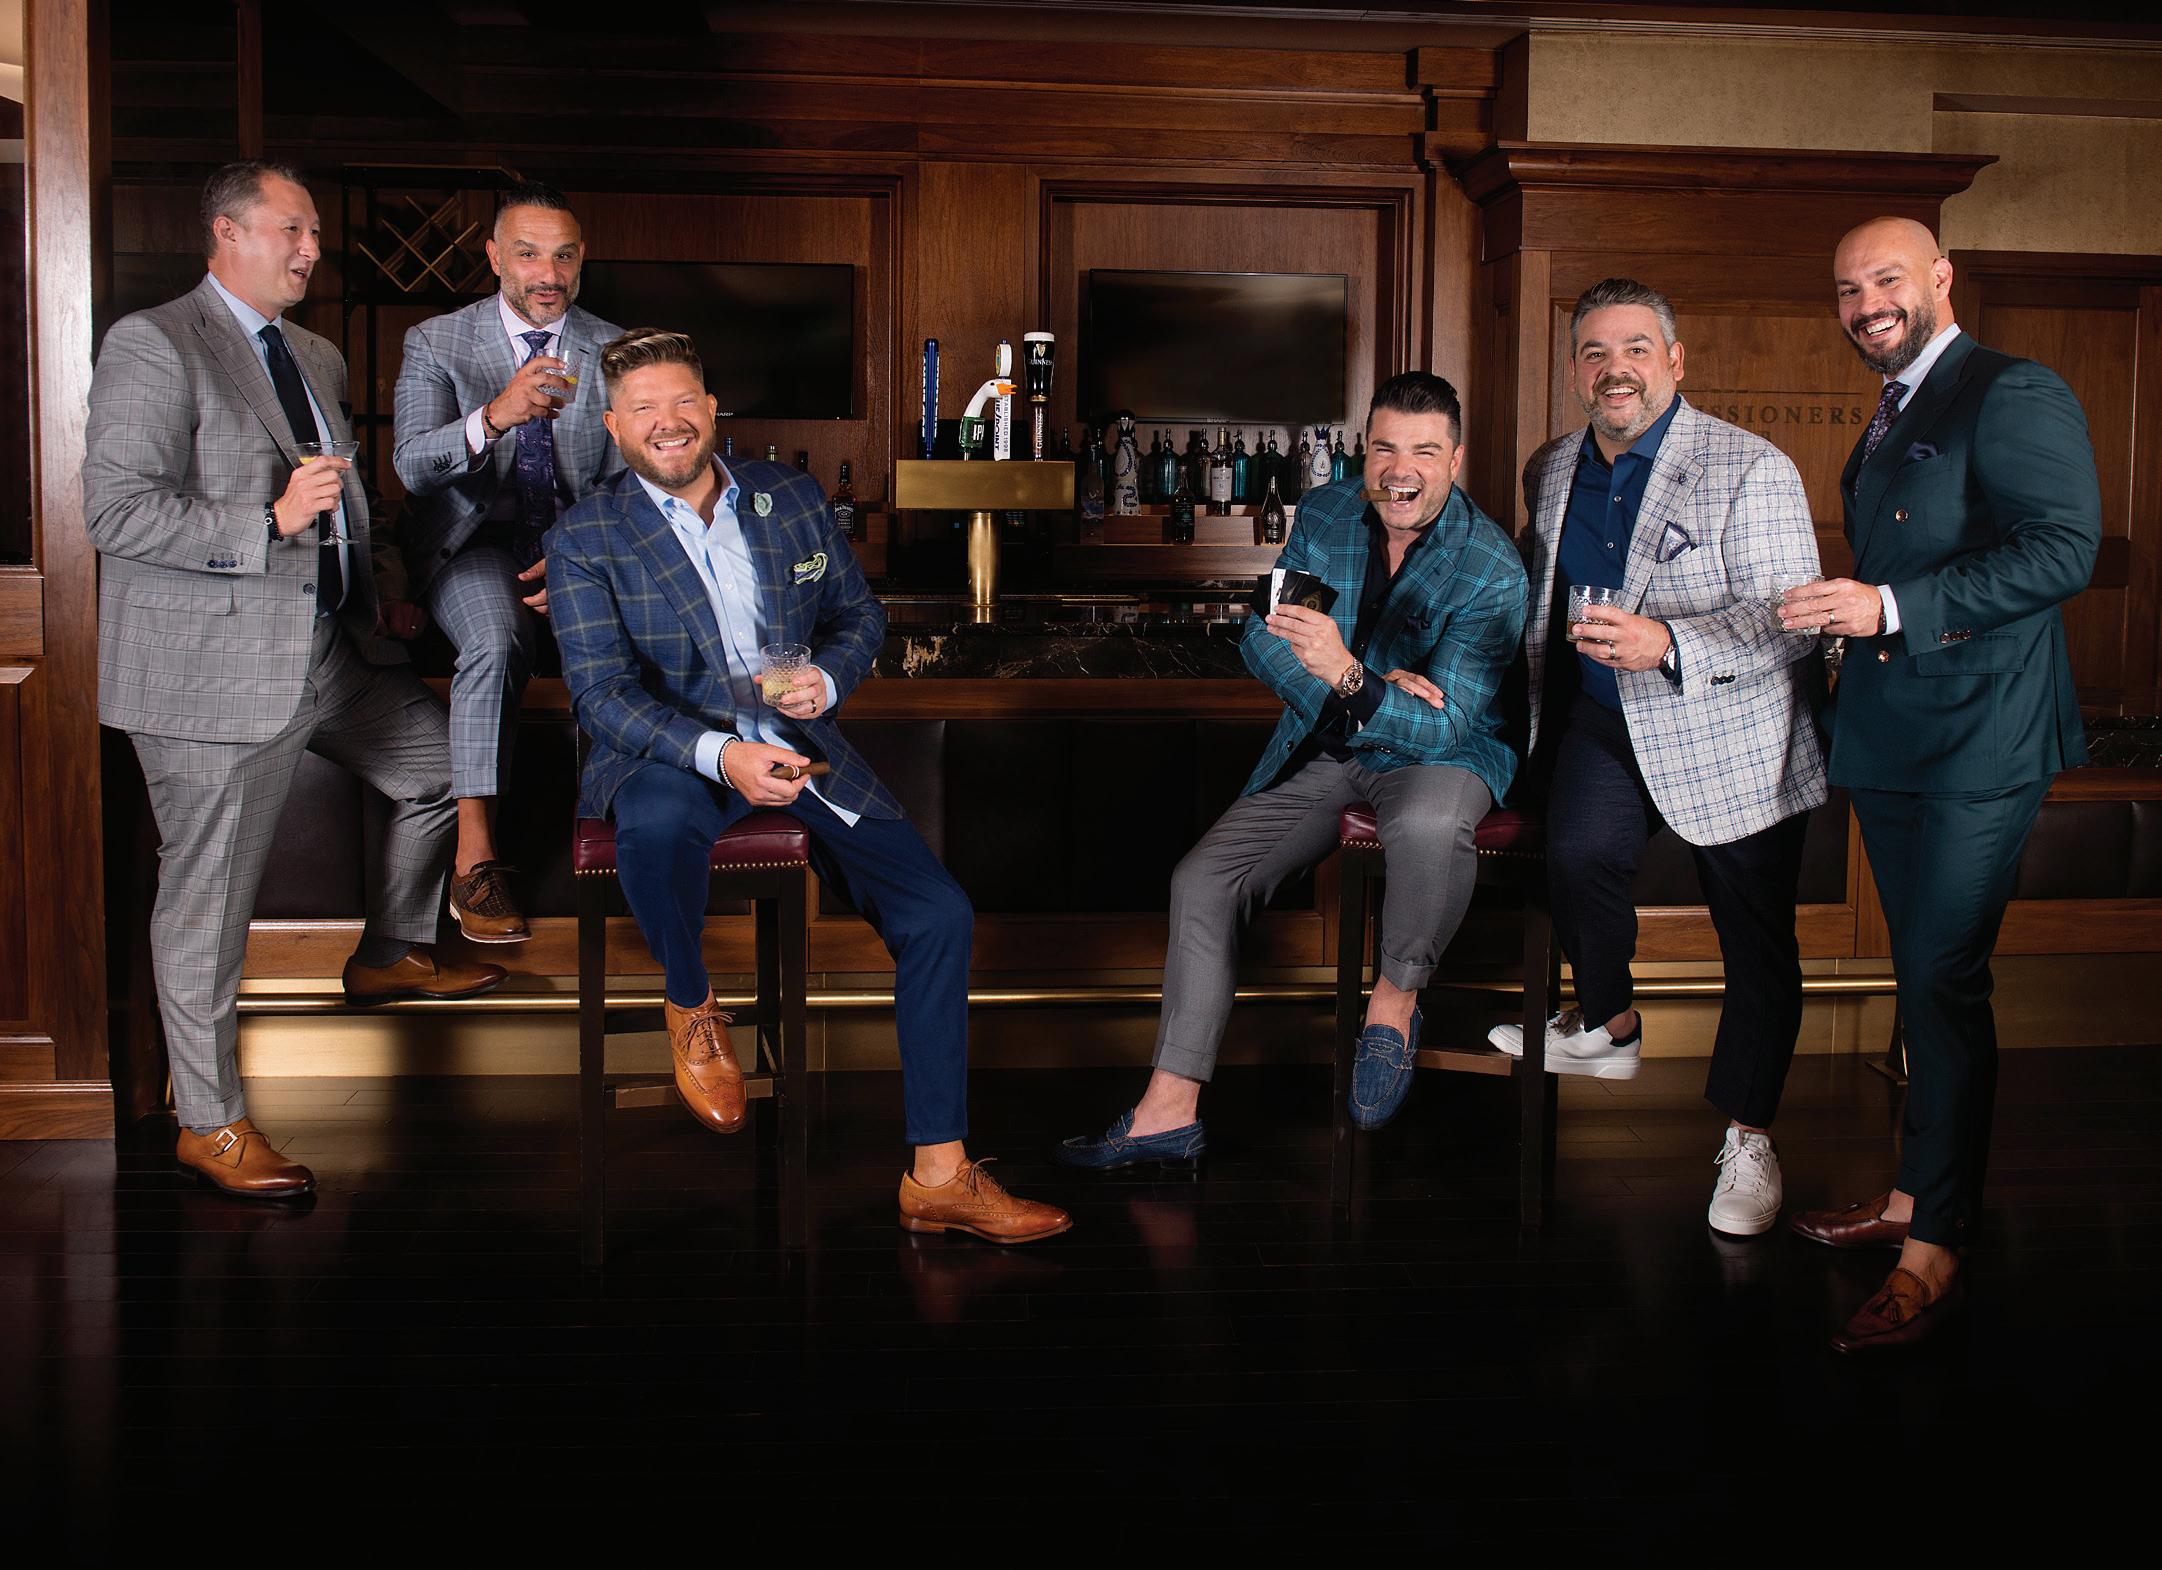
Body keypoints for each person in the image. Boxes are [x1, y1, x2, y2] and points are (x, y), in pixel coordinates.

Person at [548, 328, 1069, 1244]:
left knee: (939, 916)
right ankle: (691, 1005)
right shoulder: (585, 535)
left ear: (713, 410)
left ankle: (939, 1175)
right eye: (643, 408)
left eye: (683, 401)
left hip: (798, 743)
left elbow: (856, 615)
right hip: (671, 755)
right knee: (657, 827)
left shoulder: (786, 498)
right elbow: (601, 695)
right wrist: (721, 756)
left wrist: (827, 680)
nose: (668, 422)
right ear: (613, 427)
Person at [84, 161, 503, 1199]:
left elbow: (348, 502)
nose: (313, 250)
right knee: (207, 904)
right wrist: (264, 522)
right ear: (226, 232)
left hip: (328, 649)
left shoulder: (314, 353)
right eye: (293, 230)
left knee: (443, 768)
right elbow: (116, 511)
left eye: (315, 232)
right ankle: (210, 1123)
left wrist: (386, 586)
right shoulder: (154, 343)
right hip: (210, 675)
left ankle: (391, 950)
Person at [1058, 372, 1528, 1168]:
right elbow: (1263, 640)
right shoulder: (1325, 512)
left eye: (1423, 452)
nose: (1400, 470)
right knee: (1202, 881)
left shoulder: (1491, 567)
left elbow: (1446, 724)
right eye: (1384, 448)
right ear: (1365, 451)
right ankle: (1168, 1112)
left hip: (1442, 756)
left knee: (1425, 819)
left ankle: (1394, 1004)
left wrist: (1351, 675)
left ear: (1455, 460)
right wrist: (1355, 688)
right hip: (1333, 739)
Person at [1779, 218, 2100, 1352]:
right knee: (1922, 981)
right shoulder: (1894, 406)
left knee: (1941, 977)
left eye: (1887, 279)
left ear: (1941, 279)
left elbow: (2063, 549)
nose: (1866, 303)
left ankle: (1935, 1245)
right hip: (1895, 734)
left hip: (1983, 738)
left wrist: (1886, 606)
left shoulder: (2011, 389)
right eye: (1846, 288)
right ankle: (1915, 1196)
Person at [1495, 277, 1826, 1238]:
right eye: (1596, 352)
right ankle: (1611, 1022)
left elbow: (1794, 621)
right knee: (1576, 855)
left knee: (1754, 945)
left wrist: (1671, 642)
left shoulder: (1752, 467)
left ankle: (1750, 1140)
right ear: (1574, 372)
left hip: (1736, 732)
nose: (1616, 369)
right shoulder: (1552, 467)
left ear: (1674, 360)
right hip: (1607, 720)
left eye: (1636, 348)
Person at [389, 181, 624, 944]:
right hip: (474, 546)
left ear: (582, 259)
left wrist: (583, 563)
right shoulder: (438, 342)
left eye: (563, 256)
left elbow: (633, 485)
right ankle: (475, 859)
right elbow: (411, 465)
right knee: (495, 639)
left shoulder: (616, 349)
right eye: (527, 254)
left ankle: (625, 844)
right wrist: (493, 417)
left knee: (633, 638)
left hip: (578, 545)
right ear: (494, 257)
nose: (547, 274)